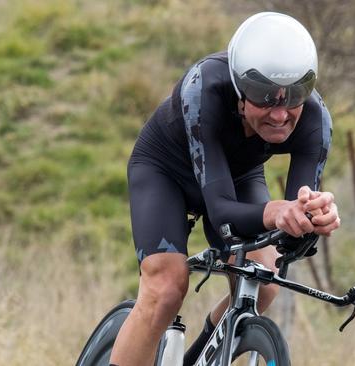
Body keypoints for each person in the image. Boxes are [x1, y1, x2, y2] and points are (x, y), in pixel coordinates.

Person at [110, 11, 340, 366]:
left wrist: (311, 219)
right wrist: (277, 212)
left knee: (265, 282)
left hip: (237, 177)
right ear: (238, 89)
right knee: (166, 288)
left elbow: (293, 228)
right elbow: (221, 213)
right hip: (166, 171)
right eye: (264, 96)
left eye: (294, 94)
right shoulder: (205, 88)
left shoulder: (314, 119)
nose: (280, 114)